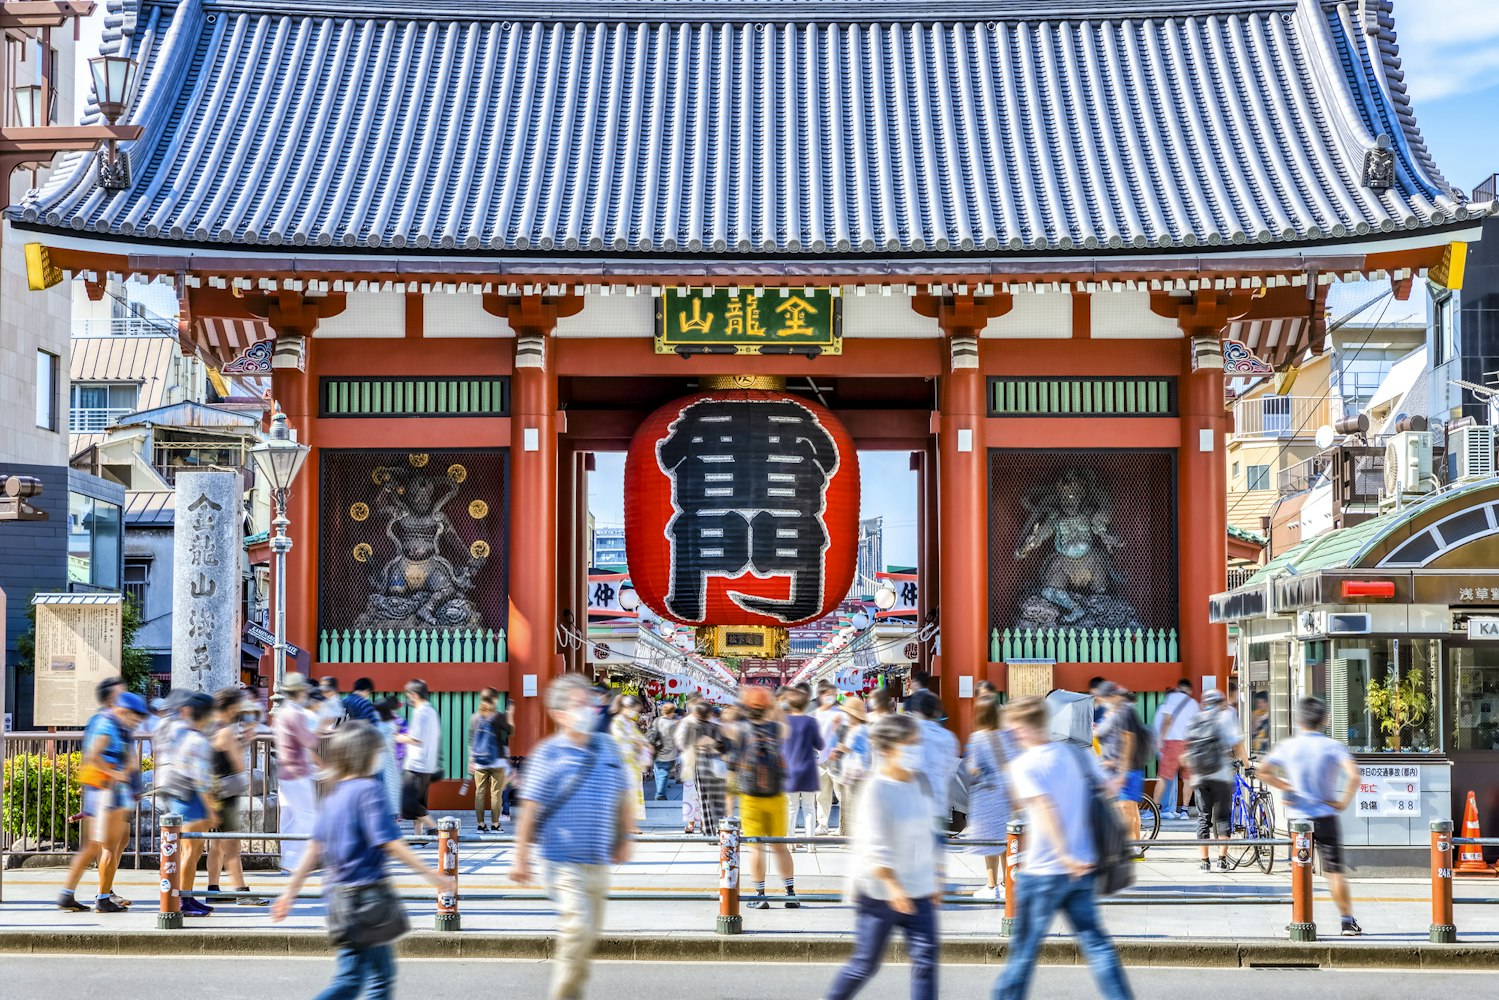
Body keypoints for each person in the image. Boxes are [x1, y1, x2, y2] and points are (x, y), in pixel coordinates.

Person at [273, 722, 450, 999]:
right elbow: (390, 843)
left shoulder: (333, 795)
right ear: (366, 755)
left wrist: (289, 893)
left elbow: (313, 850)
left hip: (339, 898)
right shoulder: (369, 790)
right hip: (366, 898)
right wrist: (432, 874)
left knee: (376, 977)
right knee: (355, 981)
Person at [993, 696, 1133, 1000]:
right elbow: (1108, 789)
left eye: (1012, 729)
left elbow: (1045, 808)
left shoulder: (1024, 764)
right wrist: (1119, 771)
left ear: (1021, 730)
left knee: (1022, 956)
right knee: (1096, 945)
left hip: (1045, 870)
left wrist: (1063, 854)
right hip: (1083, 869)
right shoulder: (1077, 754)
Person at [510, 675, 634, 1000]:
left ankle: (573, 992)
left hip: (599, 861)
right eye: (578, 704)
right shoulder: (547, 754)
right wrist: (520, 856)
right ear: (560, 713)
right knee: (577, 928)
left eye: (589, 703)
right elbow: (530, 807)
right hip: (563, 863)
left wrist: (625, 836)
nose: (588, 710)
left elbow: (623, 793)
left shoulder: (606, 746)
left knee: (587, 938)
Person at [823, 713, 941, 1000]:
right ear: (888, 748)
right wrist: (893, 886)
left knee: (926, 961)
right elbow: (874, 844)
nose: (916, 749)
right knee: (865, 964)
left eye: (917, 742)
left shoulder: (921, 781)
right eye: (910, 743)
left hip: (919, 887)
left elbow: (931, 830)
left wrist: (937, 874)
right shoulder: (876, 789)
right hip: (879, 891)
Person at [1259, 696, 1362, 936]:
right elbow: (1354, 776)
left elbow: (1262, 770)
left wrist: (1285, 787)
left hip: (1298, 821)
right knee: (1334, 871)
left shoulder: (1288, 746)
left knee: (1300, 868)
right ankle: (1347, 921)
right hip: (1326, 815)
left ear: (1298, 719)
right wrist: (1342, 802)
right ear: (1324, 720)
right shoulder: (1333, 746)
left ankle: (1300, 917)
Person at [59, 690, 146, 913]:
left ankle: (68, 894)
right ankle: (103, 898)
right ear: (122, 710)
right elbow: (95, 755)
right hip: (108, 793)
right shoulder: (109, 726)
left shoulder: (108, 723)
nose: (136, 721)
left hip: (104, 792)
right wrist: (116, 774)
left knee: (93, 847)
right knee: (109, 846)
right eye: (135, 716)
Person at [732, 685, 798, 909]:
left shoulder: (739, 729)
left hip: (751, 797)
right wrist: (775, 706)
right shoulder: (777, 729)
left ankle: (760, 896)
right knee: (780, 846)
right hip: (776, 795)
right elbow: (788, 728)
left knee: (756, 847)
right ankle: (791, 894)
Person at [162, 692, 220, 917]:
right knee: (190, 852)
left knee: (191, 852)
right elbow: (201, 779)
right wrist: (211, 809)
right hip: (193, 800)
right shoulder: (198, 740)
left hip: (180, 796)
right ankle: (183, 900)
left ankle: (187, 896)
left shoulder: (181, 734)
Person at [205, 688, 258, 904]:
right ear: (232, 707)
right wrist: (245, 742)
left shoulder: (209, 727)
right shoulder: (225, 731)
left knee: (217, 845)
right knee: (233, 846)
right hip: (226, 795)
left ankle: (213, 889)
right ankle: (241, 892)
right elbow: (239, 765)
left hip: (214, 791)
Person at [962, 694, 1017, 899]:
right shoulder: (1007, 736)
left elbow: (973, 768)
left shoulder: (977, 738)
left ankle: (992, 886)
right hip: (1006, 793)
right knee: (1005, 841)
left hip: (987, 794)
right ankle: (1006, 883)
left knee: (989, 843)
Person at [1186, 689, 1247, 872]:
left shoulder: (1195, 720)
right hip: (1221, 775)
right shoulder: (1226, 718)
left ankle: (1205, 862)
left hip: (1200, 776)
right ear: (1221, 703)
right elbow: (1237, 744)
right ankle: (1222, 860)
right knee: (1222, 817)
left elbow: (1188, 749)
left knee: (1203, 818)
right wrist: (1247, 764)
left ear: (1204, 703)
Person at [274, 673, 322, 871]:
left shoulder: (282, 713)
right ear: (300, 692)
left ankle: (287, 857)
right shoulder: (297, 714)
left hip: (284, 771)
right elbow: (309, 741)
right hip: (298, 771)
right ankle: (297, 861)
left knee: (288, 816)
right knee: (307, 816)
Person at [1096, 684, 1147, 850]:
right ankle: (1134, 846)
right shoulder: (1114, 713)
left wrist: (1122, 770)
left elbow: (1128, 741)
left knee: (1127, 809)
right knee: (1128, 808)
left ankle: (1130, 846)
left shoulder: (1125, 712)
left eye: (1104, 698)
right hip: (1115, 767)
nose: (1103, 701)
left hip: (1127, 769)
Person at [907, 690, 959, 833]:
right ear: (937, 712)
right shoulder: (949, 737)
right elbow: (950, 770)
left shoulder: (913, 732)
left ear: (917, 711)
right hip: (939, 805)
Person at [782, 687, 826, 852]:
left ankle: (790, 843)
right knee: (809, 807)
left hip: (790, 769)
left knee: (791, 807)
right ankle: (810, 845)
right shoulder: (811, 722)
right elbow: (820, 745)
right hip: (808, 769)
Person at [677, 700, 729, 835]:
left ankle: (708, 831)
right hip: (717, 764)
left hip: (700, 764)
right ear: (709, 713)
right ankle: (720, 829)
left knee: (704, 799)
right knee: (718, 798)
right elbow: (725, 747)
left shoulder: (691, 728)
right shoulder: (716, 727)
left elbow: (683, 745)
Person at [399, 679, 442, 837]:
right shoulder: (431, 711)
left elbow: (415, 738)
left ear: (414, 694)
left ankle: (434, 828)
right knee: (419, 803)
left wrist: (397, 737)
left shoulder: (420, 712)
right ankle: (418, 837)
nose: (408, 697)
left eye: (408, 694)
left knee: (408, 803)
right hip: (427, 765)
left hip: (416, 764)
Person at [1154, 679, 1198, 820]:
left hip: (1172, 743)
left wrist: (1161, 739)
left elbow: (1167, 720)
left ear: (1178, 687)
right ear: (1189, 690)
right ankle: (1184, 810)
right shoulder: (1193, 703)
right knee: (1188, 779)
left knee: (1163, 778)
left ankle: (1155, 808)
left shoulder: (1171, 698)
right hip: (1188, 744)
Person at [829, 697, 872, 840]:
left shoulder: (858, 730)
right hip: (858, 772)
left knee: (853, 807)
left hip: (855, 773)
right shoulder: (861, 728)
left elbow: (846, 747)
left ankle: (854, 839)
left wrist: (833, 732)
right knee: (853, 806)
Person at [609, 694, 651, 833]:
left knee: (632, 794)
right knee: (625, 794)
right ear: (627, 707)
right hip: (623, 764)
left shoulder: (629, 723)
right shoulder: (618, 722)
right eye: (635, 709)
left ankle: (629, 824)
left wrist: (644, 744)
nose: (636, 713)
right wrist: (637, 743)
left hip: (633, 764)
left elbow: (639, 738)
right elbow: (619, 741)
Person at [469, 691, 509, 832]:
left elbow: (471, 740)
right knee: (496, 793)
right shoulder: (498, 716)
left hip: (479, 760)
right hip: (497, 760)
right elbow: (509, 731)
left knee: (479, 792)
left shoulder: (475, 718)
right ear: (493, 702)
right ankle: (495, 824)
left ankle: (480, 824)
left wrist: (471, 759)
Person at [813, 682, 843, 833]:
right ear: (820, 696)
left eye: (834, 694)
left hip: (837, 758)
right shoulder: (814, 714)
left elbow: (846, 735)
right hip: (819, 758)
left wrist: (839, 748)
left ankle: (843, 826)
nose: (832, 697)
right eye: (828, 694)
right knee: (822, 794)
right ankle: (822, 825)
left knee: (840, 792)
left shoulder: (840, 713)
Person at [373, 696, 405, 820]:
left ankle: (391, 818)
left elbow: (383, 744)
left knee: (388, 789)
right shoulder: (385, 722)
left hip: (385, 761)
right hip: (382, 760)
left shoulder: (387, 724)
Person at [650, 702, 681, 801]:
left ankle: (660, 792)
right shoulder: (672, 724)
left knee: (659, 772)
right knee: (664, 773)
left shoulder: (657, 720)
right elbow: (676, 738)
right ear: (672, 712)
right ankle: (660, 794)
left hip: (656, 750)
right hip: (668, 752)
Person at [1250, 691, 1271, 756]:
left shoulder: (1271, 716)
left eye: (1260, 702)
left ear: (1267, 703)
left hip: (1267, 749)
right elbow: (1251, 731)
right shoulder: (1253, 714)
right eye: (1256, 702)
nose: (1258, 705)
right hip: (1254, 749)